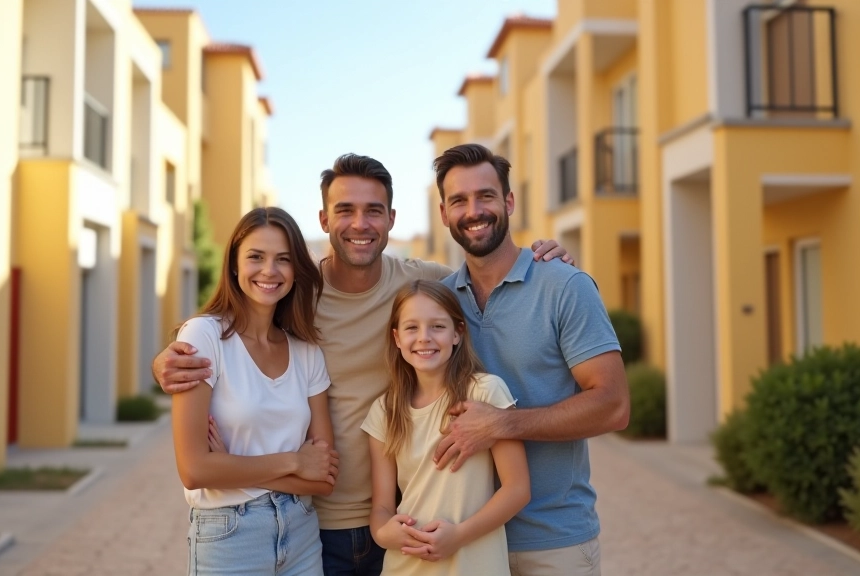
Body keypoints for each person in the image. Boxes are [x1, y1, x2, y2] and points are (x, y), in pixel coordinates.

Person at [154, 153, 570, 576]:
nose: (360, 224)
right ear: (322, 219)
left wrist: (543, 260)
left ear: (391, 218)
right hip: (317, 524)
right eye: (345, 210)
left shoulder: (422, 282)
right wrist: (168, 359)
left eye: (373, 211)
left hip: (405, 519)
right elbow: (238, 331)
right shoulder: (297, 298)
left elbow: (487, 278)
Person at [426, 143, 631, 576]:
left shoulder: (564, 286)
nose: (474, 211)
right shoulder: (440, 302)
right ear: (443, 213)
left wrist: (501, 424)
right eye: (459, 201)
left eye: (486, 196)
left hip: (553, 541)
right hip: (466, 538)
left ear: (509, 202)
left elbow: (614, 405)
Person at [171, 207, 339, 575]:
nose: (269, 271)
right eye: (256, 257)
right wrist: (295, 461)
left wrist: (230, 465)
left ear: (296, 270)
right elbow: (195, 470)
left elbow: (324, 479)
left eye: (283, 259)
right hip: (230, 535)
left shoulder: (307, 352)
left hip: (301, 532)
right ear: (234, 264)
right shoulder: (204, 337)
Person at [363, 280, 530, 574]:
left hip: (474, 563)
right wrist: (382, 533)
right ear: (396, 338)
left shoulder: (485, 393)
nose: (424, 338)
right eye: (411, 328)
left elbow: (517, 490)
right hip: (406, 565)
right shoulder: (385, 410)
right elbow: (382, 507)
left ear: (457, 333)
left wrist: (458, 536)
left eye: (437, 327)